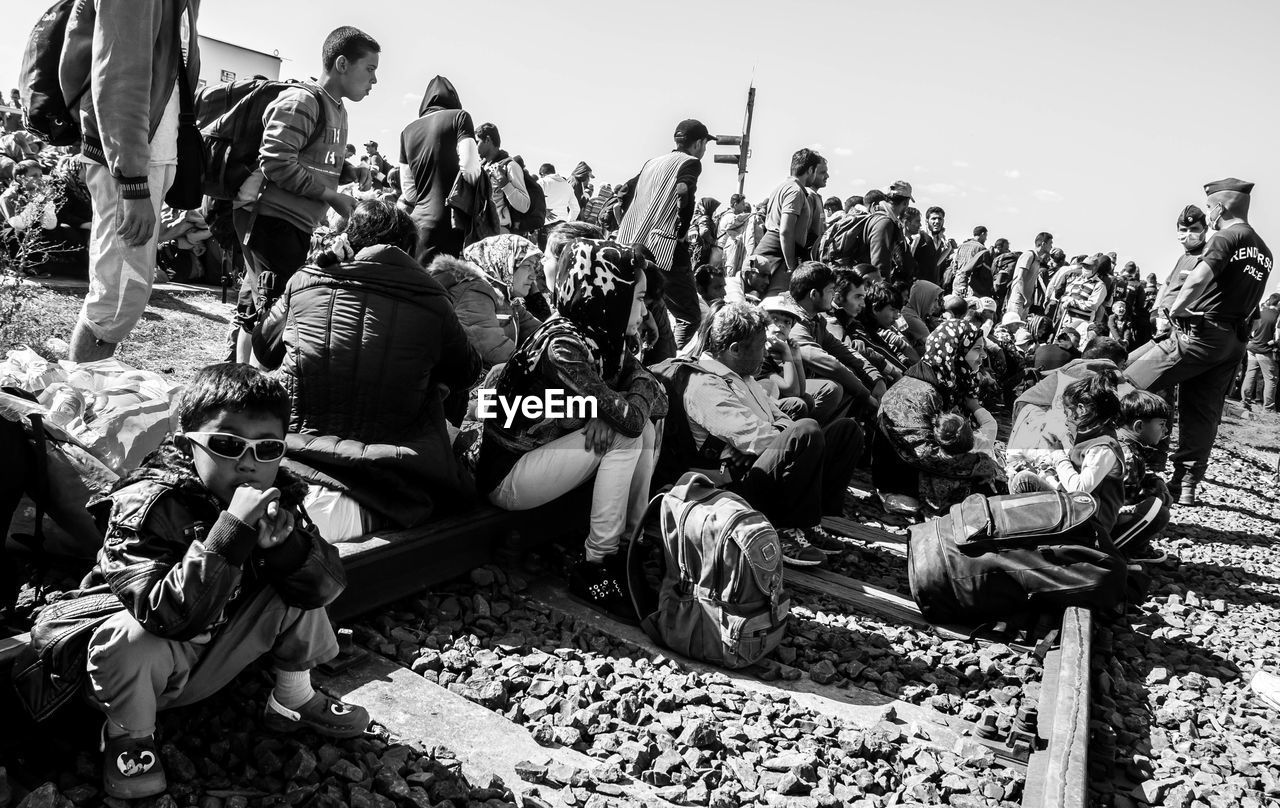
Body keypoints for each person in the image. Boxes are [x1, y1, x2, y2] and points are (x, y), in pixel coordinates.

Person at [19, 364, 368, 799]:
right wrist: (229, 536)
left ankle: (293, 695)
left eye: (268, 448)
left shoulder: (281, 499)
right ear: (189, 443)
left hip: (212, 649)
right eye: (227, 444)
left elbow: (324, 588)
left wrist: (286, 550)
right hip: (142, 665)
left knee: (299, 576)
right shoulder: (147, 503)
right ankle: (128, 735)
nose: (248, 462)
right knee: (131, 637)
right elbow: (161, 615)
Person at [252, 200, 480, 540]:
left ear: (349, 240)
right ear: (409, 251)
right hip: (389, 474)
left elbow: (263, 350)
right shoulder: (433, 300)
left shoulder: (306, 279)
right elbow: (467, 373)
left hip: (293, 452)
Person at [474, 239, 665, 618]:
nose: (644, 311)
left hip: (546, 460)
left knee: (643, 431)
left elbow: (659, 399)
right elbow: (633, 411)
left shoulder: (605, 338)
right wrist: (622, 402)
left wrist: (623, 401)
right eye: (639, 298)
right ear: (608, 293)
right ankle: (596, 566)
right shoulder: (563, 344)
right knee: (626, 433)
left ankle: (629, 546)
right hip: (509, 473)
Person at [60, 0, 202, 362]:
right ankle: (79, 401)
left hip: (148, 156)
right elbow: (119, 77)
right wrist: (134, 183)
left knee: (124, 293)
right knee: (116, 299)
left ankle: (89, 395)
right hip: (130, 163)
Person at [230, 27, 379, 365]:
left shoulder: (338, 109)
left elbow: (313, 159)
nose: (374, 81)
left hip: (293, 222)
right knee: (278, 314)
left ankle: (242, 379)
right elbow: (276, 162)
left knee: (257, 310)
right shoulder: (304, 100)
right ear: (342, 64)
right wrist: (331, 196)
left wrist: (349, 173)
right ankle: (258, 387)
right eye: (369, 69)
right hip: (271, 218)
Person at [1126, 178, 1274, 507]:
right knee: (1203, 412)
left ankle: (1117, 464)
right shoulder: (1264, 251)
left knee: (1127, 382)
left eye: (1209, 207)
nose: (1207, 213)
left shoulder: (1226, 236)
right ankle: (1186, 485)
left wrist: (1175, 309)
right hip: (1232, 341)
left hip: (1197, 334)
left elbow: (1197, 278)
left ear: (1219, 207)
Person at [682, 302, 863, 565]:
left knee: (847, 431)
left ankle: (807, 522)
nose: (764, 353)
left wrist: (776, 433)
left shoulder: (745, 377)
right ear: (735, 350)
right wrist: (776, 436)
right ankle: (783, 528)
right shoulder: (704, 383)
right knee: (806, 431)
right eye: (758, 347)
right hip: (732, 485)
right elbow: (753, 437)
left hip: (755, 464)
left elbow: (780, 419)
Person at [873, 319, 1003, 514]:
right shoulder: (917, 392)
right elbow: (923, 454)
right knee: (989, 492)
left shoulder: (944, 385)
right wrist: (977, 464)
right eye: (977, 349)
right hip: (903, 477)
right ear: (955, 351)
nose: (983, 356)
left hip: (925, 468)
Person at [615, 120, 713, 347]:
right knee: (689, 316)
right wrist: (682, 229)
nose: (705, 150)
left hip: (630, 243)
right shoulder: (691, 163)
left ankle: (641, 356)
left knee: (641, 304)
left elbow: (623, 193)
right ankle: (672, 366)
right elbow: (684, 189)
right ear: (698, 143)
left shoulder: (652, 163)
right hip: (664, 249)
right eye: (706, 144)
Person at [1009, 371, 1128, 546]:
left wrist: (1058, 456)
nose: (1065, 420)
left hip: (1092, 522)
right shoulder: (1089, 439)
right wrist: (1047, 472)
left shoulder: (1103, 447)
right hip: (1079, 509)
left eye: (1067, 413)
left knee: (1023, 481)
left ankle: (1023, 541)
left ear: (1081, 410)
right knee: (1026, 474)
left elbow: (1079, 488)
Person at [399, 75, 480, 263]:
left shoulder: (407, 131)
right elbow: (469, 168)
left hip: (417, 224)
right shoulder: (460, 117)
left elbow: (409, 192)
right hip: (452, 224)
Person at [789, 262, 882, 419]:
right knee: (832, 388)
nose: (833, 296)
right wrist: (866, 395)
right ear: (814, 294)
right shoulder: (792, 321)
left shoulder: (816, 321)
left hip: (800, 384)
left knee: (852, 377)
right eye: (831, 290)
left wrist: (875, 377)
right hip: (779, 389)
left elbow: (844, 351)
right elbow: (830, 364)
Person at [753, 148, 828, 298]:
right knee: (776, 302)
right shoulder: (795, 191)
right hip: (779, 254)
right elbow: (786, 231)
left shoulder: (782, 187)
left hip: (774, 250)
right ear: (811, 170)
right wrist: (791, 266)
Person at [1113, 391, 1174, 563]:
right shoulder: (1129, 456)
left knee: (1154, 482)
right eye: (1161, 424)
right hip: (1105, 523)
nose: (1166, 430)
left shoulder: (1114, 440)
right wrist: (1159, 498)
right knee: (1159, 511)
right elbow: (1122, 505)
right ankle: (1126, 548)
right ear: (1139, 427)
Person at [1153, 205, 1208, 330]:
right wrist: (1156, 308)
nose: (1188, 234)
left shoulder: (1207, 257)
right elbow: (1167, 283)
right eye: (1183, 229)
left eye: (1194, 229)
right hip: (1163, 322)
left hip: (1182, 326)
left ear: (1205, 229)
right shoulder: (1183, 258)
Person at [474, 123, 531, 237]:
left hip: (499, 232)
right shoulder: (481, 167)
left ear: (488, 140)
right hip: (479, 230)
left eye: (477, 142)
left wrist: (504, 183)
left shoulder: (510, 166)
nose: (475, 147)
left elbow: (524, 205)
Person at [866, 181, 914, 282]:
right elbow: (879, 263)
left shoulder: (887, 220)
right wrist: (883, 291)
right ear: (906, 203)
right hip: (876, 288)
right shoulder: (885, 222)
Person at [1242, 292, 1279, 413]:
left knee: (1250, 375)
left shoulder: (1261, 312)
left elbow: (1252, 330)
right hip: (1264, 351)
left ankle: (1245, 403)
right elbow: (1278, 337)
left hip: (1252, 348)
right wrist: (1272, 343)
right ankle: (1268, 408)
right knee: (1271, 378)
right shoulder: (1278, 316)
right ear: (1278, 303)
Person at [1007, 232, 1053, 320]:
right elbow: (1021, 278)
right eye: (1050, 243)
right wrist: (1026, 298)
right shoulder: (1029, 255)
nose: (1051, 246)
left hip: (1025, 300)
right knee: (1012, 324)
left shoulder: (1037, 259)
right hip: (1018, 299)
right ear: (1043, 244)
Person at [912, 206, 955, 287]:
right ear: (927, 221)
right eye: (933, 218)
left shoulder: (940, 241)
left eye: (940, 219)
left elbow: (935, 263)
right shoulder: (919, 236)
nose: (937, 221)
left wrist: (948, 248)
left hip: (933, 287)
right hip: (917, 287)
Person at [901, 279, 944, 356]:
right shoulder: (912, 319)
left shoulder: (907, 311)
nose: (936, 306)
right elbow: (935, 347)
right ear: (923, 298)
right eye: (934, 300)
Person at [537, 163, 581, 237]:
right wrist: (568, 223)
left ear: (542, 173)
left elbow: (533, 200)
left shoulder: (542, 182)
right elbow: (576, 209)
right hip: (562, 228)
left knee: (543, 248)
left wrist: (544, 211)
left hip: (546, 225)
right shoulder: (568, 186)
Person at [715, 193, 752, 276]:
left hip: (722, 251)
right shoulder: (729, 217)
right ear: (735, 204)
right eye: (742, 204)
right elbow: (737, 220)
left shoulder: (728, 215)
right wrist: (751, 215)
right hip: (720, 251)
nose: (744, 207)